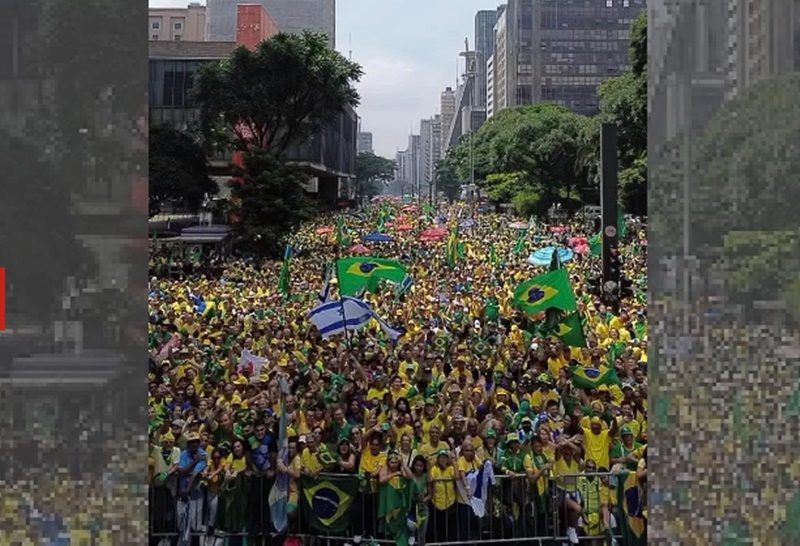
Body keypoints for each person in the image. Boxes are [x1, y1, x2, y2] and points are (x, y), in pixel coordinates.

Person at [176, 432, 207, 546]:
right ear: (188, 444)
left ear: (199, 443)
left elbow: (194, 475)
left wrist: (187, 490)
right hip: (182, 492)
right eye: (191, 442)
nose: (194, 444)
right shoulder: (184, 454)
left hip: (196, 494)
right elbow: (181, 472)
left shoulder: (203, 454)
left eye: (196, 442)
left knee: (195, 524)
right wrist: (194, 461)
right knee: (181, 521)